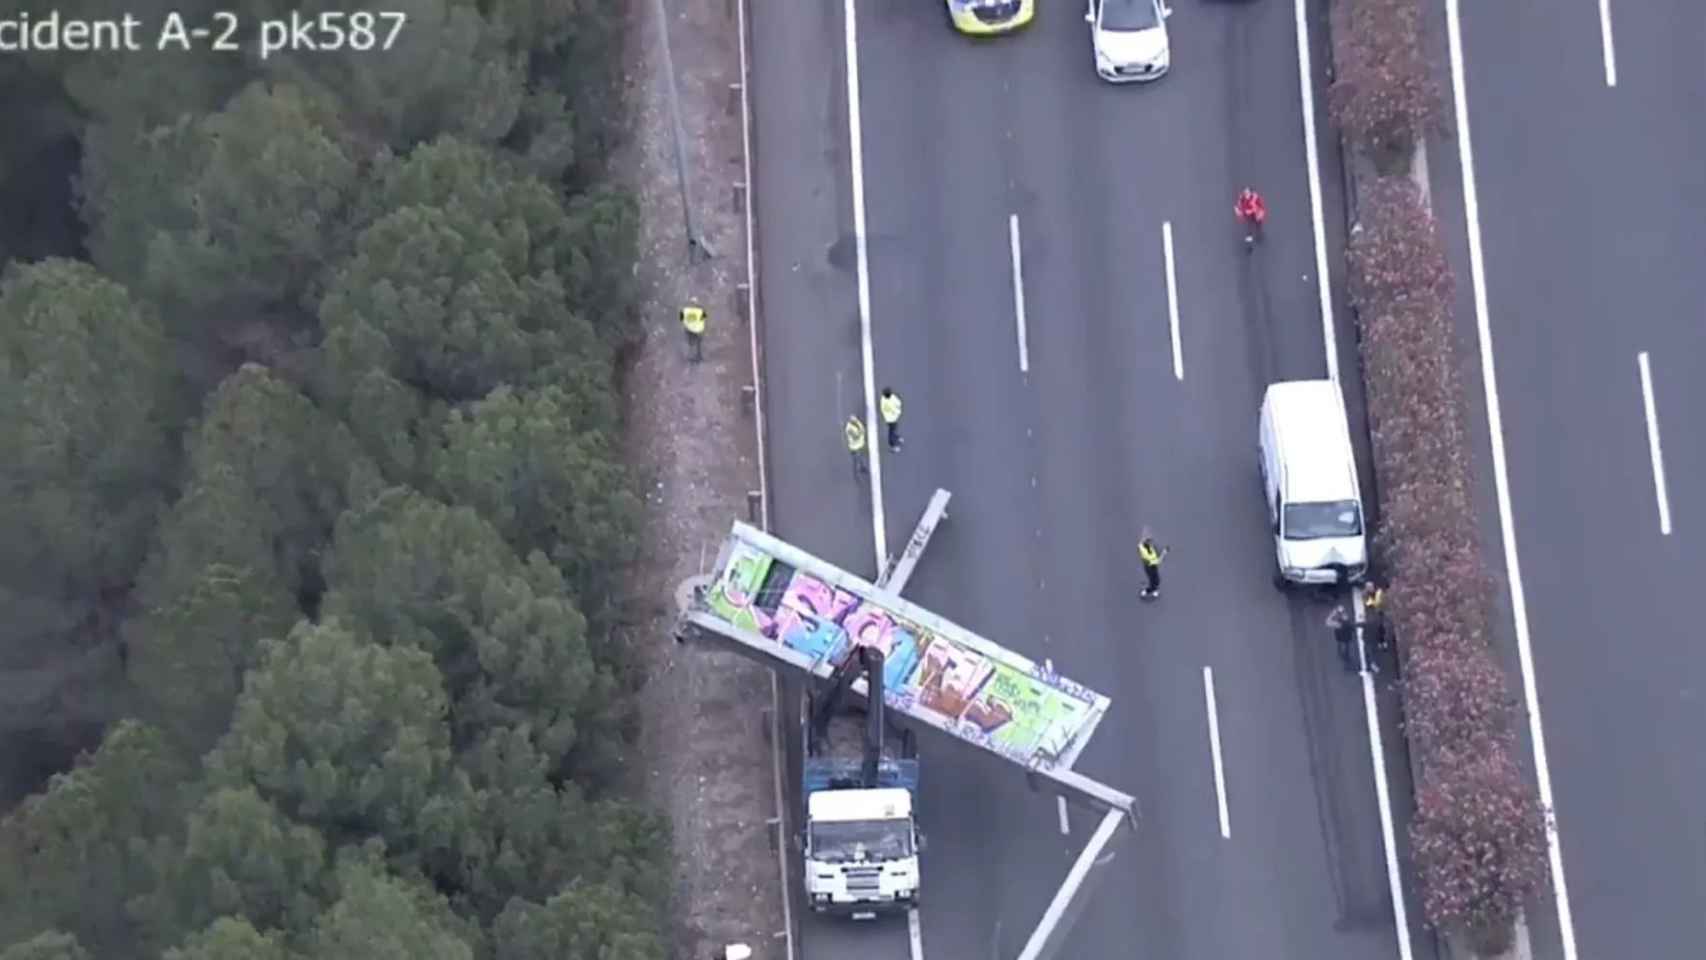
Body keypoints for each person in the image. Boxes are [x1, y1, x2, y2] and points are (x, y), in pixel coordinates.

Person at [879, 387, 904, 452]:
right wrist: (896, 411)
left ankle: (896, 438)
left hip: (890, 418)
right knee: (892, 431)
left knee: (893, 429)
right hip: (891, 419)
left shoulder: (883, 399)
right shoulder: (890, 399)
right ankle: (893, 445)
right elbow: (898, 403)